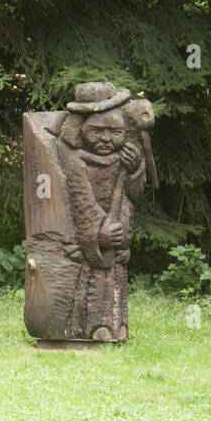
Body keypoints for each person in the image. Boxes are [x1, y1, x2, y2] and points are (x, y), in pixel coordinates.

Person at [55, 82, 145, 341]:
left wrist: (136, 168)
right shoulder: (71, 156)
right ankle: (87, 329)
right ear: (81, 130)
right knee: (89, 281)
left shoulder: (125, 155)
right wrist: (98, 230)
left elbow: (135, 193)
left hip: (117, 237)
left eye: (114, 132)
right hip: (90, 238)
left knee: (114, 278)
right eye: (97, 131)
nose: (106, 139)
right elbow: (79, 198)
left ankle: (115, 326)